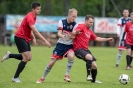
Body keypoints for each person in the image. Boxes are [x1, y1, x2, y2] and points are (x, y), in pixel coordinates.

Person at [1, 2, 51, 83]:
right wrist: (45, 41)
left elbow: (30, 29)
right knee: (26, 58)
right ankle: (15, 77)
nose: (39, 11)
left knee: (29, 58)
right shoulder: (30, 17)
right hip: (19, 37)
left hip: (25, 38)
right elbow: (36, 31)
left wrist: (33, 37)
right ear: (33, 9)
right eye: (38, 9)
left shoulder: (34, 16)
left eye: (40, 9)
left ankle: (9, 55)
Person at [36, 8, 78, 83]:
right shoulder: (62, 21)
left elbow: (74, 36)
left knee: (71, 56)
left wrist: (71, 35)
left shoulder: (75, 24)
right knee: (51, 63)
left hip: (69, 45)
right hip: (60, 45)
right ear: (69, 15)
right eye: (73, 16)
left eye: (75, 17)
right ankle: (42, 77)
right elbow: (59, 33)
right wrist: (62, 36)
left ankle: (67, 75)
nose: (74, 18)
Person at [72, 15, 114, 83]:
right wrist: (76, 32)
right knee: (89, 57)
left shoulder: (90, 31)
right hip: (78, 49)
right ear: (85, 21)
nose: (91, 24)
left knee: (94, 66)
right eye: (90, 22)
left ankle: (93, 81)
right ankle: (88, 75)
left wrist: (107, 39)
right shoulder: (81, 26)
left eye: (92, 22)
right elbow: (74, 32)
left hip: (85, 50)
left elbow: (96, 38)